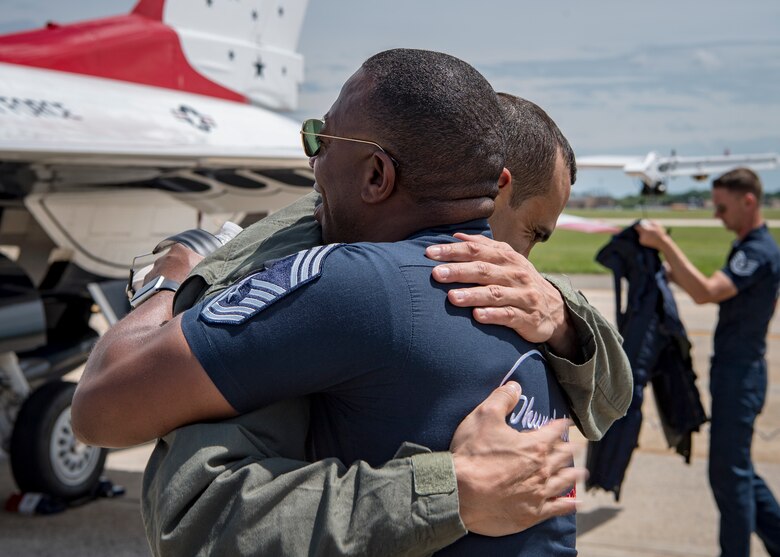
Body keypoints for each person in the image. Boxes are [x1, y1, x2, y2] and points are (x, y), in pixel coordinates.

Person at [72, 50, 620, 555]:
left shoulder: (352, 283)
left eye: (321, 142)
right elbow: (614, 396)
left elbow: (102, 413)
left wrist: (170, 281)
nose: (313, 166)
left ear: (378, 174)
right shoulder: (524, 309)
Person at [636, 167, 780, 557]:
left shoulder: (758, 252)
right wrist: (669, 271)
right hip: (735, 372)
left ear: (748, 201)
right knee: (740, 473)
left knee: (728, 477)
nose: (717, 216)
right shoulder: (749, 247)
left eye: (722, 207)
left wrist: (665, 242)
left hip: (741, 375)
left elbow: (708, 293)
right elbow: (710, 287)